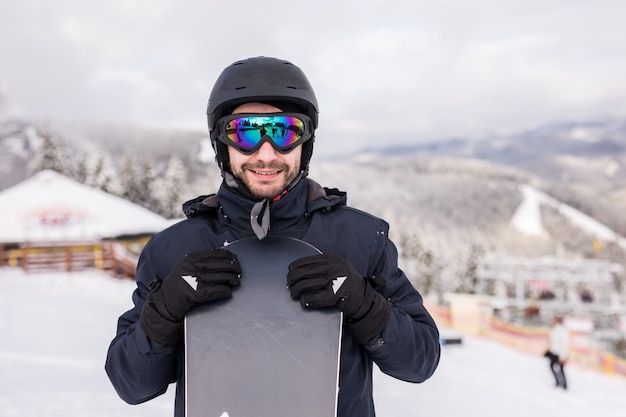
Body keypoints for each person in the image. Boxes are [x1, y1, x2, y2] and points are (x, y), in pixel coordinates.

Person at [105, 56, 441, 417]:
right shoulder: (174, 249)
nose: (266, 154)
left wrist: (363, 304)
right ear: (222, 143)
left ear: (305, 142)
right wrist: (166, 309)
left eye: (283, 132)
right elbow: (132, 384)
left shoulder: (360, 239)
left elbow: (419, 362)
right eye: (245, 133)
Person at [544, 315, 569, 390]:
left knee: (560, 369)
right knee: (553, 366)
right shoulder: (554, 329)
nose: (551, 321)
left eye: (553, 320)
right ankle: (558, 382)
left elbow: (564, 343)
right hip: (554, 352)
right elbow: (553, 342)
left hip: (560, 353)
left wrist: (563, 356)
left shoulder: (561, 330)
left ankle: (564, 385)